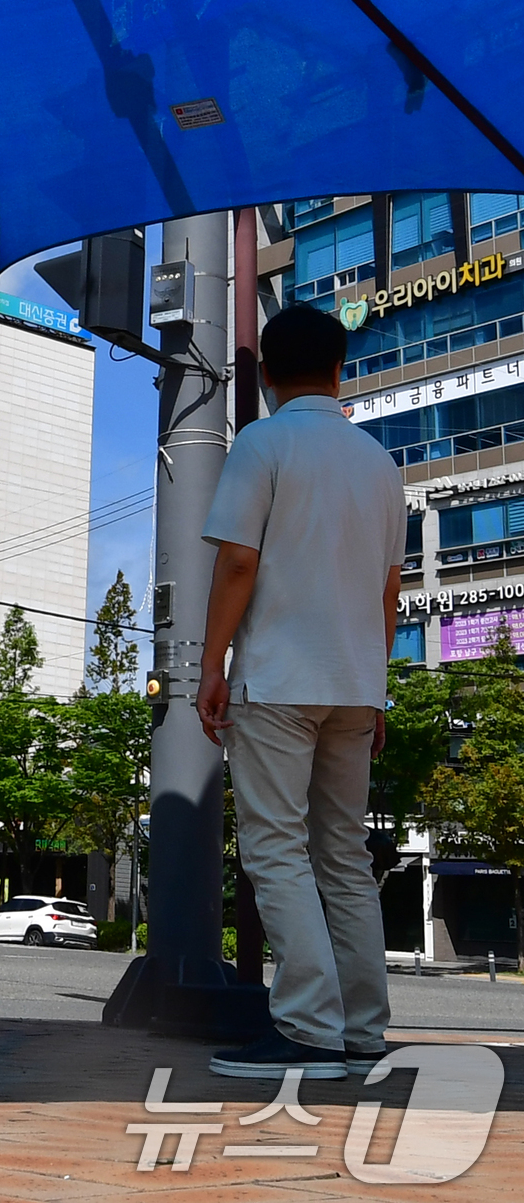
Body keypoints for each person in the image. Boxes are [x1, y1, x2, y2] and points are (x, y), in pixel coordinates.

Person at [196, 302, 405, 1080]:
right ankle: (362, 1028)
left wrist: (211, 663)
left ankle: (309, 1027)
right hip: (356, 685)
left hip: (279, 679)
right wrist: (376, 688)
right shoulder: (379, 464)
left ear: (268, 375)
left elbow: (239, 564)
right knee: (344, 859)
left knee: (277, 850)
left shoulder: (263, 442)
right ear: (340, 368)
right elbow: (389, 591)